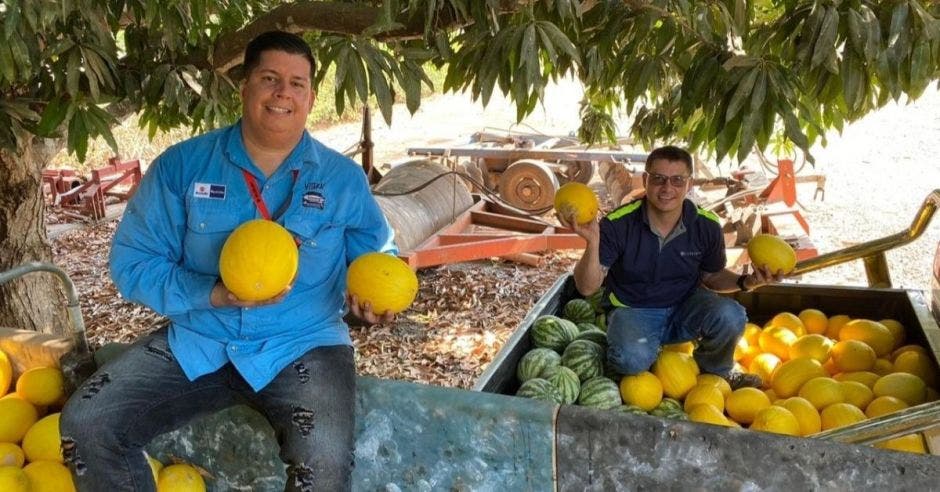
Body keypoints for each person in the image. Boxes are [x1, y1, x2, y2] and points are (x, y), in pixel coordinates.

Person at [60, 31, 397, 491]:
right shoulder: (184, 166)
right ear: (245, 86)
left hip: (303, 343)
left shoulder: (342, 180)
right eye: (270, 78)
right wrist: (210, 294)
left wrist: (373, 302)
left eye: (297, 83)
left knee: (324, 469)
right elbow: (134, 261)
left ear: (311, 96)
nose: (283, 93)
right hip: (201, 338)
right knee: (88, 423)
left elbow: (376, 258)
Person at [558, 145, 782, 389]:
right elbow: (587, 287)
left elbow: (713, 275)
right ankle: (642, 353)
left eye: (677, 180)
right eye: (658, 179)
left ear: (690, 183)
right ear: (645, 180)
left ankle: (717, 371)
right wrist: (592, 242)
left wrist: (746, 282)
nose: (667, 188)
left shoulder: (706, 226)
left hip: (686, 306)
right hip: (635, 310)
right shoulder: (617, 224)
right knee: (630, 360)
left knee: (732, 315)